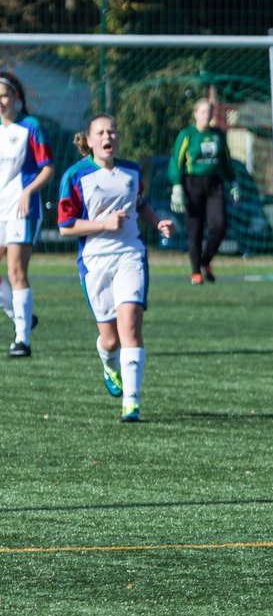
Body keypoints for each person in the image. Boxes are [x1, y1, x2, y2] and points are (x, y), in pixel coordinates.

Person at [58, 115, 175, 422]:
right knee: (110, 340)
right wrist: (103, 224)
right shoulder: (75, 175)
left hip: (130, 255)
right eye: (101, 132)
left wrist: (157, 221)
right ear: (90, 139)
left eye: (112, 130)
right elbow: (66, 226)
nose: (108, 136)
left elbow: (140, 204)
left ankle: (131, 403)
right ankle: (109, 366)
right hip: (95, 261)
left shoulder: (131, 170)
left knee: (132, 328)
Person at [0, 72, 54, 358]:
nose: (0, 101)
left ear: (17, 98)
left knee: (15, 271)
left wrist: (28, 191)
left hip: (22, 208)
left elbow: (47, 167)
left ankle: (22, 340)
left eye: (4, 96)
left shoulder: (31, 127)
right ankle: (22, 317)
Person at [168, 99, 239, 286]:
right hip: (192, 184)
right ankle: (195, 272)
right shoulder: (187, 134)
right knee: (195, 230)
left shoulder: (218, 135)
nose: (206, 115)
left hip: (214, 185)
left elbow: (226, 161)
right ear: (195, 114)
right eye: (203, 111)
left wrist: (232, 182)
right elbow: (176, 161)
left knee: (219, 226)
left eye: (209, 111)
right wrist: (177, 185)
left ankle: (205, 260)